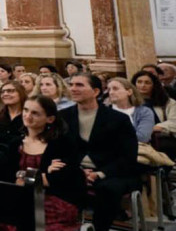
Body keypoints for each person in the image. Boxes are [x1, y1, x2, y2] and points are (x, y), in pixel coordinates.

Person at [0, 96, 83, 231]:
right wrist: (40, 175)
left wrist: (24, 177)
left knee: (31, 220)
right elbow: (9, 176)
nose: (27, 115)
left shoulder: (62, 143)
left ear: (50, 119)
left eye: (35, 113)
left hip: (53, 198)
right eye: (25, 110)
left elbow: (60, 179)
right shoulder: (16, 143)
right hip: (21, 196)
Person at [59, 73, 138, 231]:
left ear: (96, 92)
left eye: (80, 85)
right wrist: (77, 171)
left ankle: (100, 228)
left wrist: (99, 173)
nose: (73, 88)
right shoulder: (63, 117)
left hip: (111, 172)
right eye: (72, 84)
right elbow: (59, 150)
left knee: (107, 189)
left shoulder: (118, 119)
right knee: (52, 182)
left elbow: (128, 156)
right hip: (75, 169)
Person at [105, 77, 155, 143]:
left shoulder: (144, 112)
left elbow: (143, 138)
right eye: (109, 90)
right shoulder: (103, 112)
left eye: (115, 89)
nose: (111, 92)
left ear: (129, 92)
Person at [133, 70, 176, 134]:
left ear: (154, 85)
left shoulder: (168, 102)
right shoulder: (127, 102)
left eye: (147, 83)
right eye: (139, 82)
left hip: (160, 139)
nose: (142, 85)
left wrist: (156, 127)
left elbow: (174, 121)